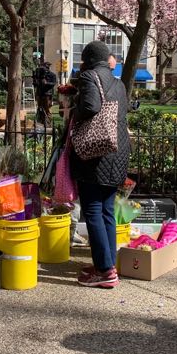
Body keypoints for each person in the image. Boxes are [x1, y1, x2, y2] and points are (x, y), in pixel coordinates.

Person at [69, 40, 131, 289]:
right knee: (106, 210)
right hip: (117, 152)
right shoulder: (119, 83)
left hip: (96, 154)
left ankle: (104, 271)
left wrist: (72, 111)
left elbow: (91, 107)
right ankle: (108, 264)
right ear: (107, 59)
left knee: (93, 210)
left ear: (87, 59)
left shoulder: (89, 77)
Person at [33, 60, 57, 125]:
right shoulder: (39, 75)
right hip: (39, 93)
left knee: (47, 109)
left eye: (46, 67)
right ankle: (40, 122)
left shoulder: (52, 75)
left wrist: (46, 83)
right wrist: (35, 81)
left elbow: (53, 83)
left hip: (47, 94)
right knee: (40, 108)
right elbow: (35, 85)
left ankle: (48, 123)